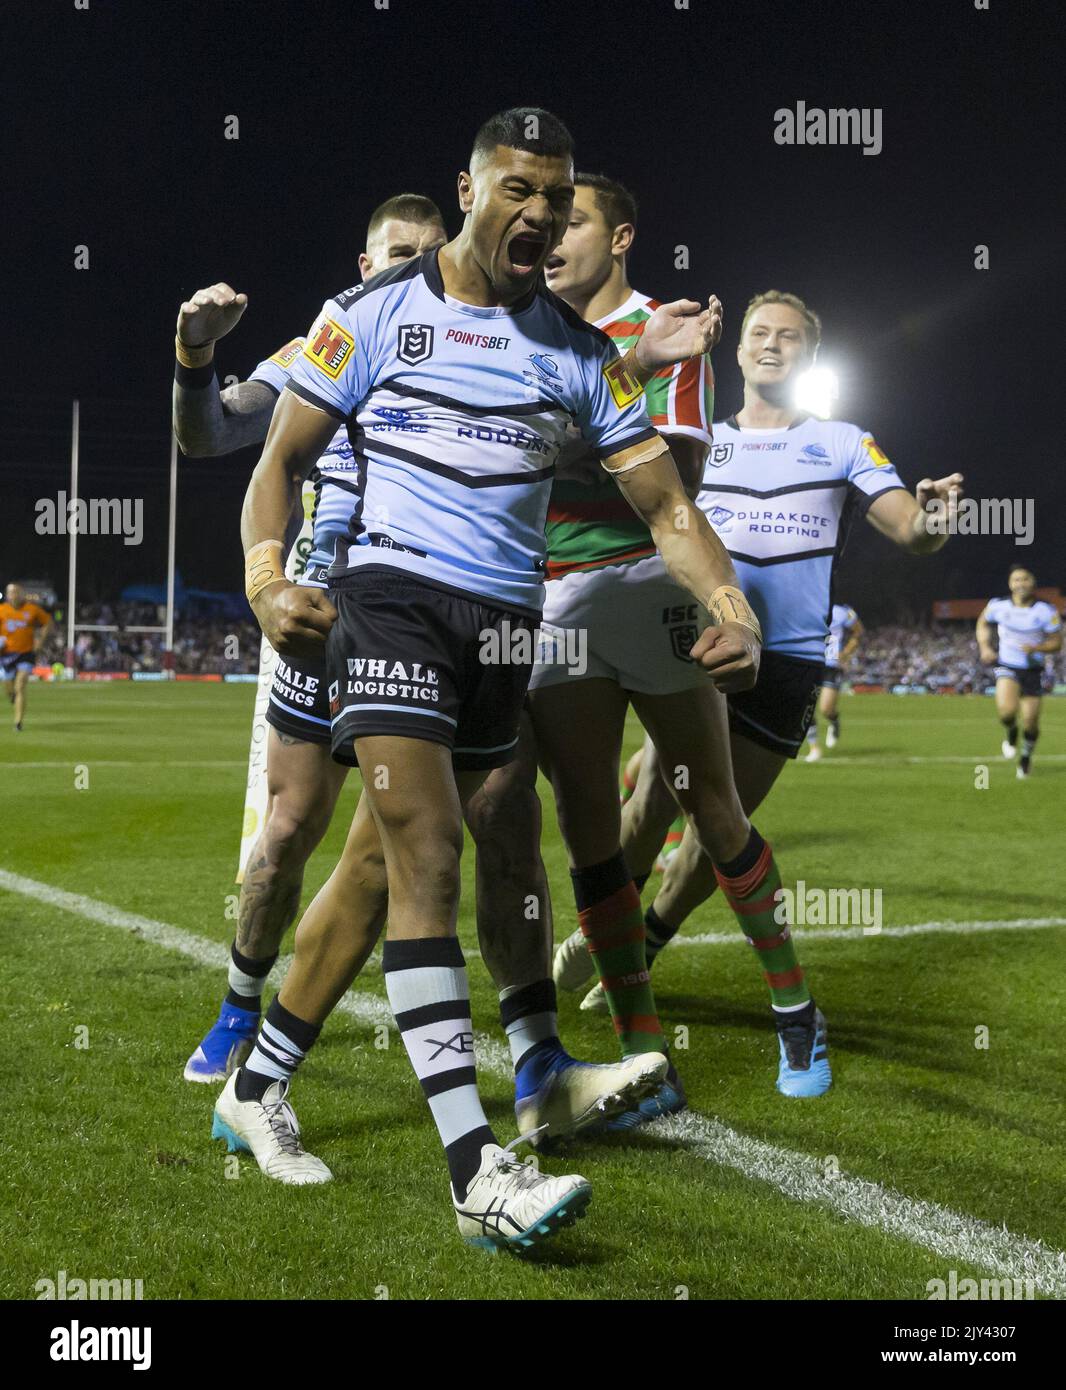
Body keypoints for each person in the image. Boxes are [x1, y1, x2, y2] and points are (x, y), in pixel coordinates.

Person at [222, 107, 761, 1249]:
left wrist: (725, 603)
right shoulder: (371, 314)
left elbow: (664, 504)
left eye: (556, 201)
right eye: (518, 191)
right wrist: (270, 581)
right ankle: (479, 1171)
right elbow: (277, 461)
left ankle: (256, 1082)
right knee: (430, 849)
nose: (539, 217)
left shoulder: (576, 354)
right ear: (468, 191)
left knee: (375, 870)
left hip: (501, 633)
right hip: (389, 606)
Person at [557, 291, 964, 1095]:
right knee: (642, 809)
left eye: (789, 338)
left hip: (783, 666)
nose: (772, 346)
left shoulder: (843, 441)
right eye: (759, 335)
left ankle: (646, 944)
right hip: (698, 646)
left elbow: (911, 530)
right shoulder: (703, 437)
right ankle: (604, 940)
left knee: (719, 832)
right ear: (736, 351)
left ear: (810, 358)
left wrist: (940, 519)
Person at [174, 195, 448, 1083]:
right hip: (322, 623)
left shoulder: (465, 353)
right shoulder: (311, 354)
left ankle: (499, 1051)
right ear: (365, 265)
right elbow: (210, 433)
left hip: (421, 628)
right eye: (397, 252)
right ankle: (238, 1007)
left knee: (423, 838)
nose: (414, 265)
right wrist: (195, 352)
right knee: (289, 831)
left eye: (429, 253)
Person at [977, 566, 1062, 779]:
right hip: (1007, 665)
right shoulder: (999, 605)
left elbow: (1057, 642)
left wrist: (1037, 648)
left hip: (1033, 670)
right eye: (1016, 580)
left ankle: (1025, 758)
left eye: (1025, 579)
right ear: (1010, 584)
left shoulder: (1045, 610)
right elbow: (982, 622)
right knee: (1006, 711)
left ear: (1032, 583)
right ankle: (1011, 732)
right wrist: (985, 647)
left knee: (1031, 721)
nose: (1020, 583)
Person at [804, 603, 862, 760]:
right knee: (805, 706)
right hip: (810, 661)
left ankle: (834, 720)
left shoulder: (842, 611)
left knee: (826, 709)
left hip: (831, 665)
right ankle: (814, 748)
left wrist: (846, 653)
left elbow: (858, 632)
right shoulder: (807, 606)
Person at [0, 583, 53, 730]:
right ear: (7, 595)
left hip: (26, 653)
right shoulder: (2, 610)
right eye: (11, 592)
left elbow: (48, 622)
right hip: (5, 654)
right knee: (9, 687)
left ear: (21, 593)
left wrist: (40, 642)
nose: (14, 595)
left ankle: (18, 723)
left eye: (16, 592)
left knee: (21, 684)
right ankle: (12, 696)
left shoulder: (32, 609)